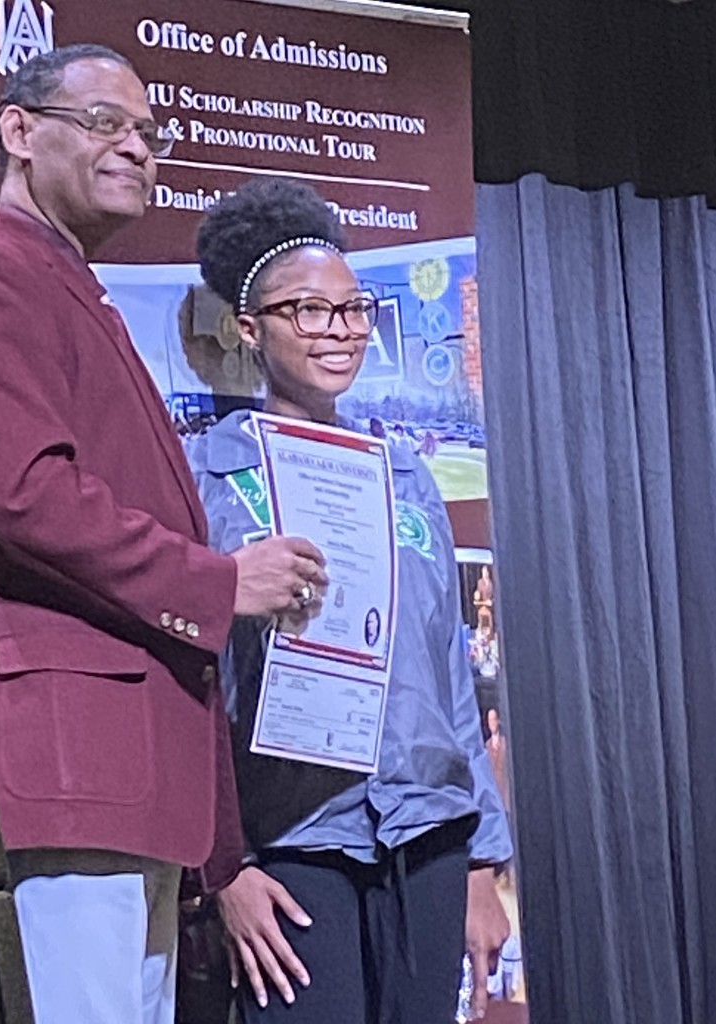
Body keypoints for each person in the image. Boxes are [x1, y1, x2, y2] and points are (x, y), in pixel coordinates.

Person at [0, 46, 326, 1024]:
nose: (136, 148)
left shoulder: (73, 290)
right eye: (105, 124)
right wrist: (220, 583)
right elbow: (25, 495)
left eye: (147, 133)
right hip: (68, 771)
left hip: (129, 788)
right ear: (19, 131)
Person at [189, 177, 513, 1024]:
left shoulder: (407, 478)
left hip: (426, 837)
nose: (337, 330)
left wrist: (482, 862)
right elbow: (188, 685)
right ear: (249, 330)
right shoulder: (206, 481)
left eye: (352, 309)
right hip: (292, 841)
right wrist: (220, 867)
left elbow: (449, 675)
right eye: (306, 310)